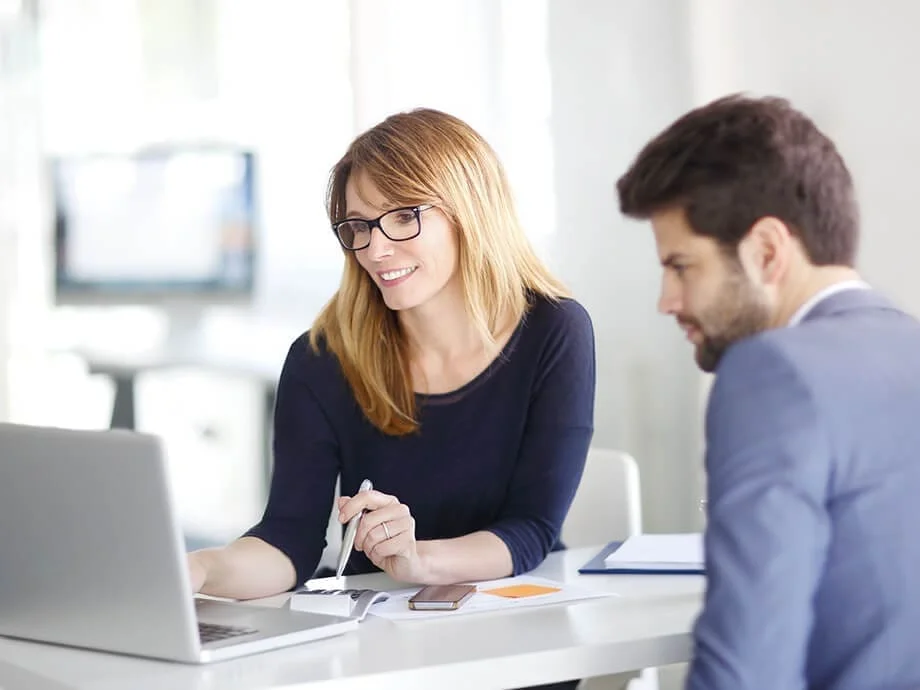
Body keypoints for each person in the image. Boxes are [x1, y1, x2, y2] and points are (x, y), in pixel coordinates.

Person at [188, 108, 595, 613]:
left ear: (468, 209)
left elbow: (532, 529)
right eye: (358, 226)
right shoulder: (321, 359)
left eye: (403, 216)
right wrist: (201, 568)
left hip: (517, 622)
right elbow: (289, 539)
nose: (375, 248)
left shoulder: (553, 330)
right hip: (379, 633)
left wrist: (415, 560)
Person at [616, 94, 920, 690]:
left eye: (681, 266)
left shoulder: (772, 372)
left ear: (767, 251)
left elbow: (748, 670)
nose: (666, 301)